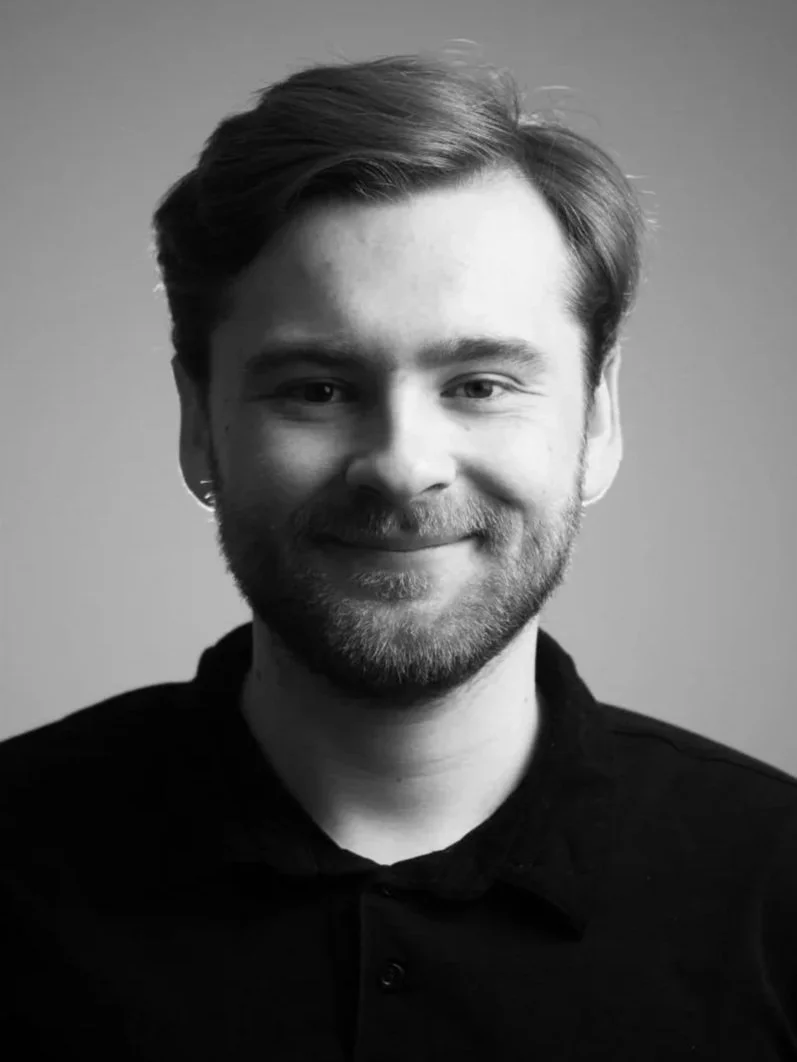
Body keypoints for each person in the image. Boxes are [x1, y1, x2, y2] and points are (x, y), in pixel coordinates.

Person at [3, 48, 796, 1061]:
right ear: (199, 424)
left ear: (596, 423)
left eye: (479, 383)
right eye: (316, 389)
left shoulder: (773, 886)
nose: (401, 466)